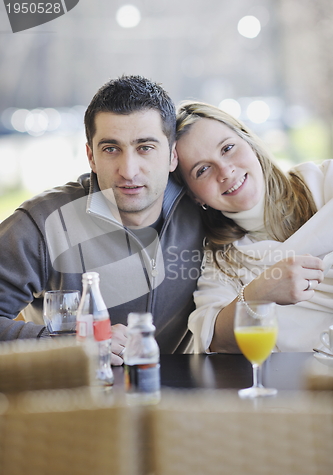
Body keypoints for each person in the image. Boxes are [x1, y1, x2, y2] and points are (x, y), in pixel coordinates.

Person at [0, 76, 205, 364]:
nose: (129, 170)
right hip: (73, 402)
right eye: (111, 149)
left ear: (172, 156)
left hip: (181, 401)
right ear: (91, 157)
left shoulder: (205, 210)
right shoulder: (43, 223)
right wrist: (70, 343)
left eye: (145, 147)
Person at [175, 101, 333, 353]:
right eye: (202, 169)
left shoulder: (324, 183)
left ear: (249, 142)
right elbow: (212, 339)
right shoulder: (222, 262)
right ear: (195, 196)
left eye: (227, 148)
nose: (225, 171)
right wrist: (259, 292)